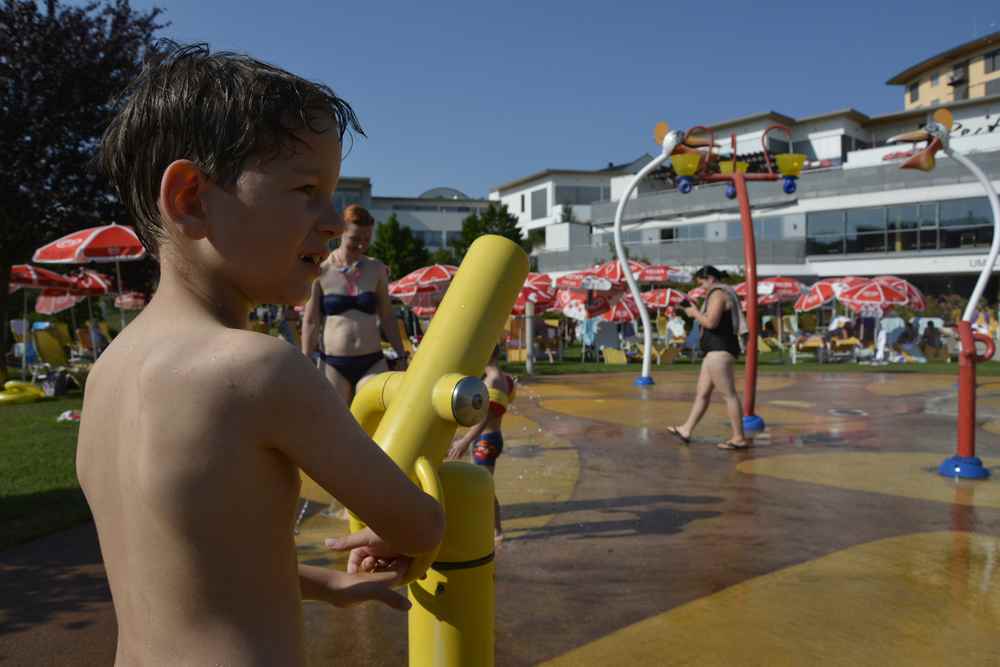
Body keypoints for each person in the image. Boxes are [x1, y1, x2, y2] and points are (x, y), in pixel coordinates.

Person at [76, 43, 445, 666]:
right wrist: (432, 508)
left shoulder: (108, 374)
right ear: (191, 198)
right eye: (306, 189)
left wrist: (314, 582)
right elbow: (418, 527)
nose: (331, 222)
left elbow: (178, 559)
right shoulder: (258, 370)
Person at [301, 204, 407, 403]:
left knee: (370, 414)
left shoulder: (376, 269)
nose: (361, 245)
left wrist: (401, 353)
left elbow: (387, 316)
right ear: (341, 233)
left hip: (372, 361)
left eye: (366, 240)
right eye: (355, 239)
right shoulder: (321, 270)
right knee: (336, 423)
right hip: (333, 362)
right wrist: (305, 359)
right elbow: (311, 320)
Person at [667, 266, 751, 450]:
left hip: (719, 350)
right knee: (702, 394)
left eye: (702, 283)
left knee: (728, 395)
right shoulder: (719, 293)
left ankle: (738, 437)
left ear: (710, 278)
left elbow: (711, 323)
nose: (702, 287)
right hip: (714, 351)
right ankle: (686, 429)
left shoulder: (718, 294)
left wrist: (694, 313)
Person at [447, 345, 515, 544]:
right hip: (490, 438)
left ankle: (496, 532)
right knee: (484, 487)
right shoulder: (504, 378)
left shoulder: (492, 380)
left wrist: (464, 441)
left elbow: (487, 416)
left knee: (483, 488)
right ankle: (494, 529)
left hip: (486, 441)